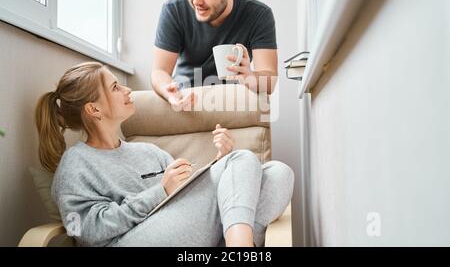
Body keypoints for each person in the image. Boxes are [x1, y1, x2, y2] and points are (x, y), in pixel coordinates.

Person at [35, 62, 293, 247]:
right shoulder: (75, 165)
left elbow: (192, 193)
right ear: (94, 109)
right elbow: (84, 231)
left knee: (278, 173)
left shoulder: (147, 150)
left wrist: (219, 160)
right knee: (242, 159)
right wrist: (160, 192)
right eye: (115, 87)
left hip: (177, 231)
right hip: (130, 239)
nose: (127, 90)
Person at [152, 0, 278, 112]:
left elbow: (270, 80)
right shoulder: (173, 10)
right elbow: (159, 71)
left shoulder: (259, 15)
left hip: (232, 101)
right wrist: (169, 93)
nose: (196, 1)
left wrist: (249, 76)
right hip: (187, 95)